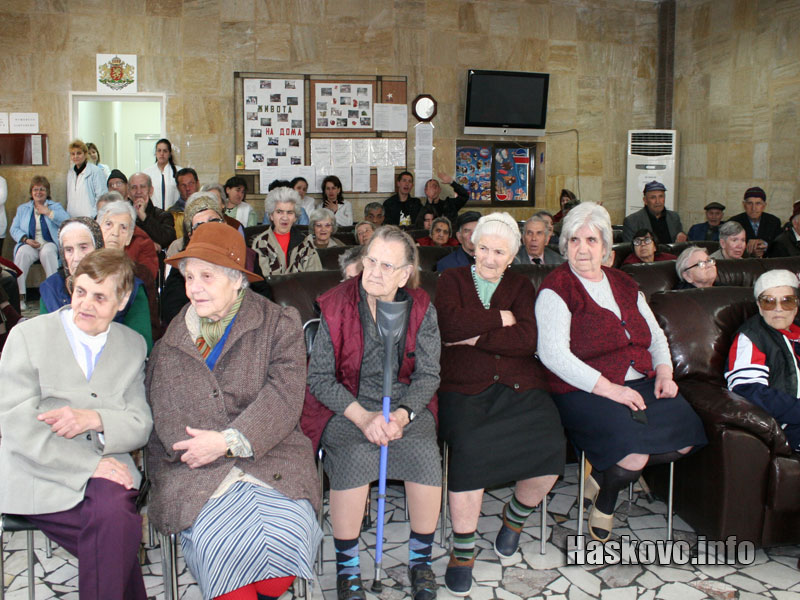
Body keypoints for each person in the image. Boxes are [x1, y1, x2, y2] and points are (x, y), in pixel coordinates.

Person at [146, 222, 322, 600]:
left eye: (206, 276)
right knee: (223, 551)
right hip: (198, 472)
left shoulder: (278, 324)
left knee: (282, 552)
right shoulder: (170, 343)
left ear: (237, 280)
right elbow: (167, 416)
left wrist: (228, 441)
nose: (194, 287)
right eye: (189, 276)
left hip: (270, 459)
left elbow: (284, 397)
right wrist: (210, 450)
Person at [536, 202, 706, 542]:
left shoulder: (625, 283)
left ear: (605, 247)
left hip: (641, 381)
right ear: (564, 245)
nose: (582, 249)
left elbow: (655, 335)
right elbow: (553, 355)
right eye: (573, 241)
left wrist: (664, 373)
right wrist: (610, 389)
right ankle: (607, 498)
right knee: (633, 454)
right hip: (583, 389)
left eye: (591, 240)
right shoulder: (556, 289)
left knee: (688, 440)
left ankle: (602, 472)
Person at [0, 248, 153, 599]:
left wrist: (94, 418)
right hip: (37, 473)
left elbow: (140, 424)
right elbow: (17, 426)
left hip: (105, 471)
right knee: (118, 530)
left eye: (100, 297)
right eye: (80, 291)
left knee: (114, 523)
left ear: (123, 300)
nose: (85, 304)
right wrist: (90, 464)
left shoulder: (131, 346)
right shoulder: (27, 337)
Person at [305, 226, 442, 600]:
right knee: (352, 456)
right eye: (370, 261)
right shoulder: (336, 305)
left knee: (424, 456)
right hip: (347, 406)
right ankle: (348, 570)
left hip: (403, 406)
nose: (375, 272)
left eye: (387, 265)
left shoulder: (421, 307)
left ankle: (420, 562)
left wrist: (401, 415)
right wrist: (363, 418)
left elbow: (429, 374)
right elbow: (318, 379)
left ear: (404, 274)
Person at [435, 213, 565, 596]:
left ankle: (515, 518)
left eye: (500, 252)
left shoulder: (522, 285)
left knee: (551, 446)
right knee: (471, 450)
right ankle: (462, 551)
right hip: (464, 386)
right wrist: (498, 319)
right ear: (473, 247)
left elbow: (526, 340)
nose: (490, 258)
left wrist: (475, 338)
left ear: (512, 256)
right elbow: (447, 325)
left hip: (522, 384)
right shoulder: (451, 280)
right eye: (484, 249)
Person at [39, 218, 153, 353]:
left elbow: (141, 344)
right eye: (69, 250)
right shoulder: (51, 289)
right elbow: (45, 344)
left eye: (83, 247)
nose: (76, 257)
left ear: (98, 247)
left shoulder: (129, 287)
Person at [725, 270, 800, 452]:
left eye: (787, 300)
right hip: (790, 423)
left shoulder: (796, 331)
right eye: (769, 301)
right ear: (759, 306)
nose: (778, 308)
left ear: (796, 304)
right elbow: (749, 389)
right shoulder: (752, 337)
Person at [161, 192, 229, 325]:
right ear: (191, 235)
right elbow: (172, 313)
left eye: (213, 221)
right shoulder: (181, 267)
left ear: (224, 224)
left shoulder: (245, 257)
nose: (208, 228)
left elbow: (259, 299)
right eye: (200, 225)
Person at [10, 175, 69, 309]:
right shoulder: (23, 209)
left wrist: (48, 212)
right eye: (35, 189)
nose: (38, 192)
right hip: (30, 243)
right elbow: (14, 229)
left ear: (47, 192)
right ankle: (20, 297)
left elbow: (66, 221)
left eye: (42, 189)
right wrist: (25, 239)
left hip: (48, 243)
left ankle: (55, 294)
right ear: (31, 192)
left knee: (48, 252)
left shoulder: (55, 206)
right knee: (22, 253)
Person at [251, 186, 322, 275]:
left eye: (289, 212)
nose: (285, 217)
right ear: (271, 216)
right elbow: (260, 282)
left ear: (295, 217)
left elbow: (315, 278)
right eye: (279, 212)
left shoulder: (306, 243)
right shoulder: (260, 243)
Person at [96, 195, 159, 282]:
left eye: (123, 227)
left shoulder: (137, 276)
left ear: (129, 237)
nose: (115, 233)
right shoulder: (85, 268)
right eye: (108, 224)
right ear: (98, 228)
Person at [622, 181, 686, 244]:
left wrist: (682, 236)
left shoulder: (674, 217)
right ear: (645, 200)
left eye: (661, 196)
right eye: (653, 197)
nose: (658, 201)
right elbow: (629, 249)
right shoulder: (632, 221)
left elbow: (681, 242)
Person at [129, 171, 177, 251]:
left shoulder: (163, 215)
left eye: (143, 187)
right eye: (134, 187)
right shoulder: (123, 215)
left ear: (151, 191)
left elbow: (167, 240)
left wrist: (144, 217)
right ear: (129, 193)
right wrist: (147, 245)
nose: (138, 191)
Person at [729, 186, 782, 257]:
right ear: (744, 205)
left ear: (764, 206)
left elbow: (778, 246)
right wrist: (749, 249)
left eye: (758, 203)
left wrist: (764, 245)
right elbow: (729, 247)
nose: (753, 208)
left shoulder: (774, 222)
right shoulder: (734, 222)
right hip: (742, 264)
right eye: (749, 203)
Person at [66, 139, 107, 217]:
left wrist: (94, 215)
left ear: (85, 154)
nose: (75, 156)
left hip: (90, 217)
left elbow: (102, 197)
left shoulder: (95, 171)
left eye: (79, 153)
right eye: (73, 154)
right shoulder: (70, 173)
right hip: (73, 217)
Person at [143, 138, 182, 211]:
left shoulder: (179, 171)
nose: (162, 154)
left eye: (165, 151)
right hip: (153, 215)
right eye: (159, 150)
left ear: (169, 154)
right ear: (155, 153)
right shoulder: (147, 173)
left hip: (174, 215)